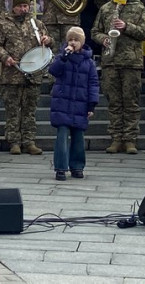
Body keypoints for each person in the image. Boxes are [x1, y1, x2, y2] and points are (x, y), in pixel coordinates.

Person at [91, 0, 145, 154]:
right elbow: (95, 32)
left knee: (131, 102)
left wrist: (127, 27)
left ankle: (130, 139)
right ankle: (116, 138)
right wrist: (104, 39)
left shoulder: (138, 7)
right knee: (114, 102)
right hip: (110, 61)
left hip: (131, 62)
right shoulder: (106, 8)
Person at [0, 0, 51, 155]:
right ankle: (14, 142)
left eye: (26, 6)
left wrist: (47, 40)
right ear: (13, 7)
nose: (24, 9)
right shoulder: (3, 24)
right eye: (20, 6)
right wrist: (5, 57)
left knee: (29, 111)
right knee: (12, 111)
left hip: (33, 75)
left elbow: (47, 44)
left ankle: (29, 141)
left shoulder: (37, 24)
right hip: (12, 75)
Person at [48, 27, 99, 181]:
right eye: (70, 39)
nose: (73, 42)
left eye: (76, 40)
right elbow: (54, 71)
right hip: (63, 102)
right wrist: (63, 57)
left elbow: (93, 83)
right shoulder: (62, 57)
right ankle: (60, 168)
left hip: (80, 103)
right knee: (62, 136)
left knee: (78, 137)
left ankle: (77, 166)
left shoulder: (89, 62)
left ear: (82, 43)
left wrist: (92, 104)